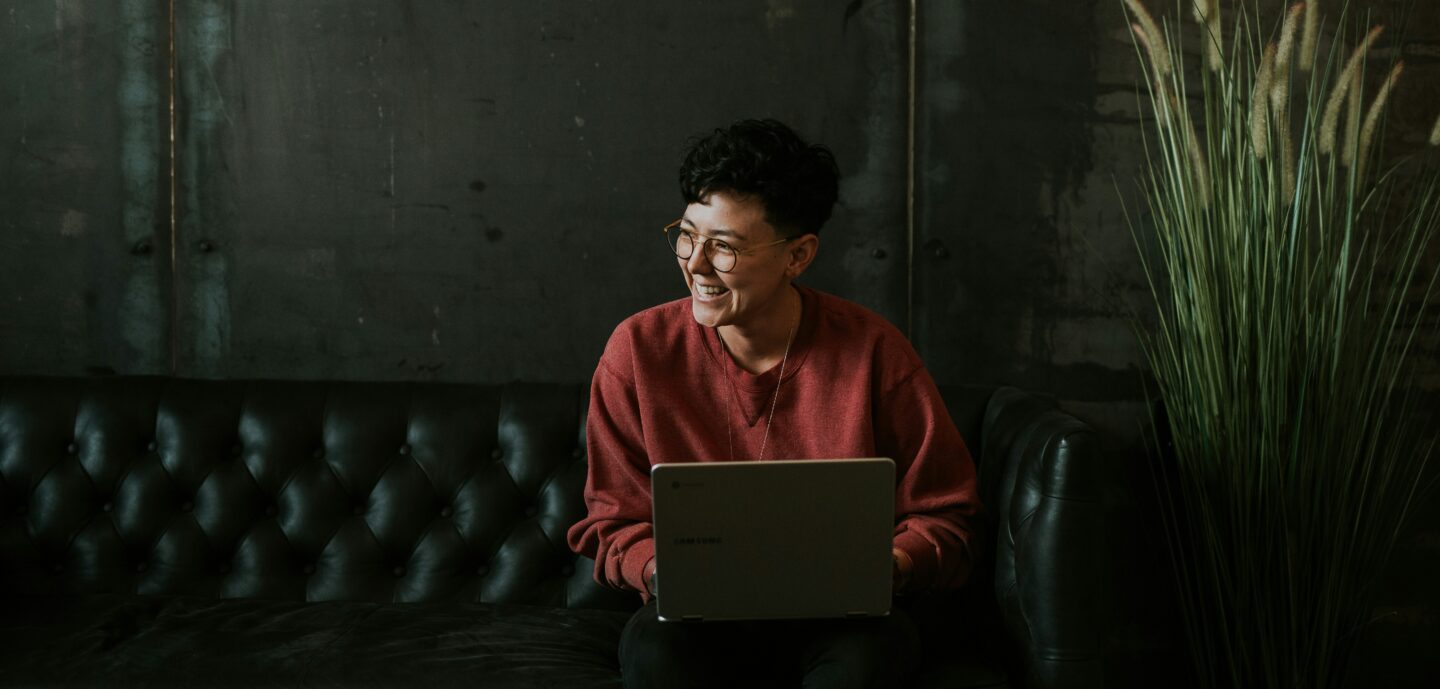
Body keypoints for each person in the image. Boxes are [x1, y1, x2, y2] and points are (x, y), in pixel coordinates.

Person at [566, 119, 981, 689]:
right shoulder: (637, 350)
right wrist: (662, 570)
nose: (696, 264)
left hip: (843, 621)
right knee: (654, 653)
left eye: (725, 248)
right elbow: (613, 520)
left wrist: (890, 564)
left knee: (868, 661)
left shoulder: (873, 352)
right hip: (696, 621)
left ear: (799, 255)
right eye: (687, 235)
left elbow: (947, 516)